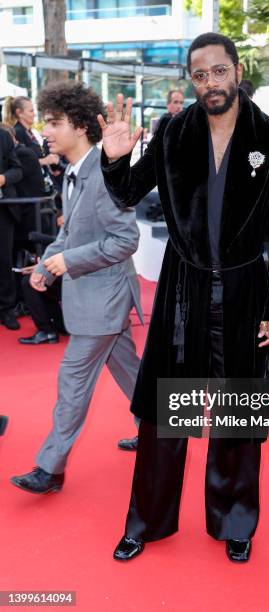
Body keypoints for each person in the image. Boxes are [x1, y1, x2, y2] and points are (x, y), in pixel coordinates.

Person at [99, 32, 269, 563]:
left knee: (237, 418)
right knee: (166, 417)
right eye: (200, 74)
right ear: (193, 79)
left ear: (236, 69)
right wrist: (114, 158)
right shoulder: (172, 131)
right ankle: (146, 522)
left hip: (245, 294)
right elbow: (127, 192)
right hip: (182, 293)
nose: (211, 82)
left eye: (219, 71)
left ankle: (235, 521)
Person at [11, 81, 144, 495]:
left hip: (102, 297)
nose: (45, 130)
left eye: (54, 122)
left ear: (82, 127)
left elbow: (126, 240)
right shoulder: (75, 170)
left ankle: (50, 468)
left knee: (72, 378)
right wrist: (48, 267)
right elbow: (72, 234)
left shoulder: (104, 173)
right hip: (98, 293)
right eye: (46, 121)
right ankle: (173, 428)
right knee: (131, 370)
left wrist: (67, 262)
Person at [0, 127, 23, 330]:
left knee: (4, 260)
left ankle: (7, 309)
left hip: (3, 209)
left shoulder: (3, 136)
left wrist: (3, 179)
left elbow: (17, 170)